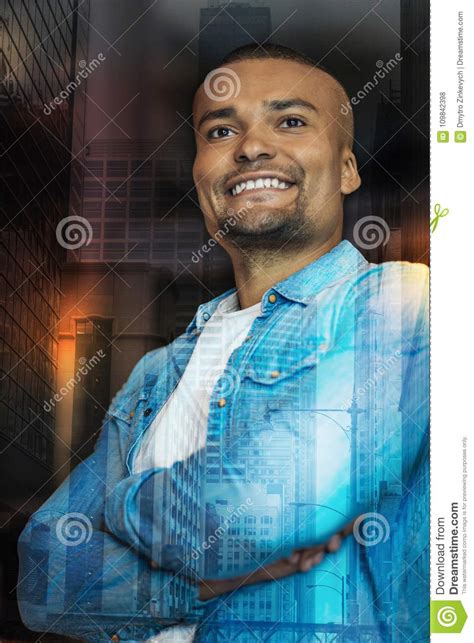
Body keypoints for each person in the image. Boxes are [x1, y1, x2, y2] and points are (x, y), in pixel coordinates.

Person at [17, 44, 429, 642]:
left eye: (290, 121)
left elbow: (275, 503)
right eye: (220, 129)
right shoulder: (156, 375)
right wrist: (194, 581)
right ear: (199, 173)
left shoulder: (406, 303)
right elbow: (44, 576)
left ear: (346, 168)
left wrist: (120, 507)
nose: (252, 146)